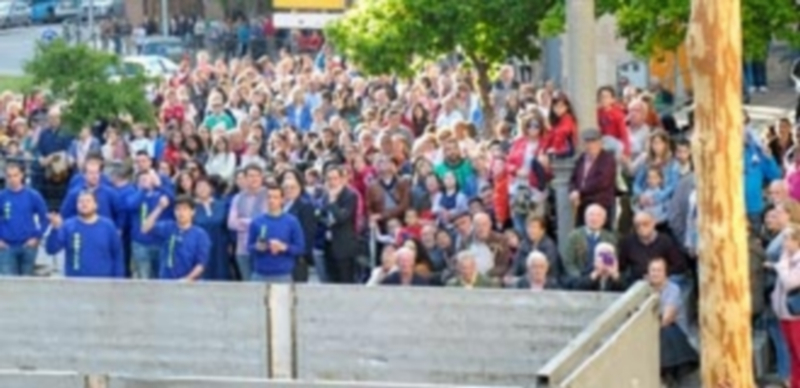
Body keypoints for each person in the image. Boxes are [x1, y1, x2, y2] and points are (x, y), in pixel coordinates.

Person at [45, 191, 124, 278]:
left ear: (96, 205)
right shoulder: (68, 226)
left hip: (103, 282)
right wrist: (55, 229)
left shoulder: (108, 226)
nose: (84, 204)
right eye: (81, 201)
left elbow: (117, 255)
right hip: (75, 282)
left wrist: (118, 281)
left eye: (88, 201)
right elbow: (51, 249)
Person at [141, 195, 210, 281]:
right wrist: (159, 208)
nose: (181, 213)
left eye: (185, 209)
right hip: (166, 281)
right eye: (178, 209)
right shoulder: (168, 227)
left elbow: (201, 264)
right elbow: (145, 229)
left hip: (190, 283)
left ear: (193, 212)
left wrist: (187, 279)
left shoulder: (200, 235)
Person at [248, 184, 305, 283]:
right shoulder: (257, 221)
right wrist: (258, 247)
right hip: (260, 274)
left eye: (275, 197)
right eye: (269, 197)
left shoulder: (291, 221)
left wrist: (284, 247)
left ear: (282, 200)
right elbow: (249, 246)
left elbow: (300, 247)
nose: (271, 200)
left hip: (283, 274)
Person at [0, 163, 49, 276]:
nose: (12, 179)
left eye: (15, 175)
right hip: (6, 247)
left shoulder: (33, 196)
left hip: (28, 246)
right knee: (10, 285)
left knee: (27, 285)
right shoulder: (2, 197)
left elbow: (45, 219)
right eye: (9, 176)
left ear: (22, 175)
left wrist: (37, 237)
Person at [769, 224, 800, 387]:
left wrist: (782, 265)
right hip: (784, 313)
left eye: (787, 239)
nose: (784, 242)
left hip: (796, 315)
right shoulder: (786, 257)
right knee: (792, 352)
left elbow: (789, 282)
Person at [569, 129, 617, 228]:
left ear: (600, 143)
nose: (590, 145)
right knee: (581, 234)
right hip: (582, 204)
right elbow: (573, 178)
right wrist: (572, 191)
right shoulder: (581, 158)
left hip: (600, 203)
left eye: (593, 142)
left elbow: (602, 181)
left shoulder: (607, 159)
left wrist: (579, 192)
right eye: (587, 142)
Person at [227, 164, 267, 280]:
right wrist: (254, 222)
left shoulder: (269, 196)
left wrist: (243, 221)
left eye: (257, 176)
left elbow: (266, 222)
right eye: (250, 176)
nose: (254, 179)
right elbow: (231, 223)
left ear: (261, 178)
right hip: (242, 248)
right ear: (244, 178)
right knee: (247, 284)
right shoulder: (237, 198)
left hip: (262, 247)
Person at [321, 165, 360, 283]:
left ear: (342, 179)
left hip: (344, 246)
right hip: (328, 243)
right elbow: (320, 213)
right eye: (329, 179)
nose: (332, 182)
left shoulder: (350, 195)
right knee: (331, 278)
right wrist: (326, 221)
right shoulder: (326, 194)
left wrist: (333, 202)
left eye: (335, 178)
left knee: (345, 279)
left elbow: (342, 217)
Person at [193, 178, 231, 281]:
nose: (202, 189)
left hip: (220, 247)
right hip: (199, 248)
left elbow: (227, 226)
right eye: (199, 187)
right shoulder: (192, 207)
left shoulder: (222, 205)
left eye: (205, 186)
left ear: (211, 188)